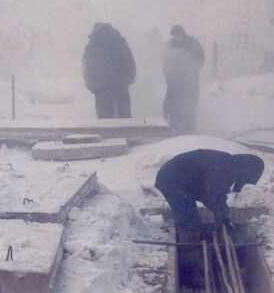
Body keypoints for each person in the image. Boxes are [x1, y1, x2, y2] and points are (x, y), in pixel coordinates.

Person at [155, 149, 264, 290]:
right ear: (247, 171)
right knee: (189, 223)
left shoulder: (227, 164)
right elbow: (212, 195)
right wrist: (222, 216)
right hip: (173, 181)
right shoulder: (226, 167)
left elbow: (212, 193)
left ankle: (195, 264)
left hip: (179, 181)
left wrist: (222, 216)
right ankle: (192, 273)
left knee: (191, 220)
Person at [82, 23, 136, 119]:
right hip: (120, 82)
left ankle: (106, 132)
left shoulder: (93, 44)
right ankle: (126, 132)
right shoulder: (119, 41)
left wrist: (90, 84)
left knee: (104, 115)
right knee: (124, 114)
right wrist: (129, 79)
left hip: (101, 84)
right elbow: (129, 61)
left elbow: (88, 66)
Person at [162, 25, 204, 135]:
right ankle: (173, 129)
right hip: (173, 81)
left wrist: (191, 70)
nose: (176, 38)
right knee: (172, 105)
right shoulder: (170, 45)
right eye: (174, 36)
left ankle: (189, 130)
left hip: (190, 81)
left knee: (189, 105)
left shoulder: (192, 44)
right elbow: (164, 60)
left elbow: (200, 59)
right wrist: (167, 72)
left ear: (183, 34)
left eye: (178, 35)